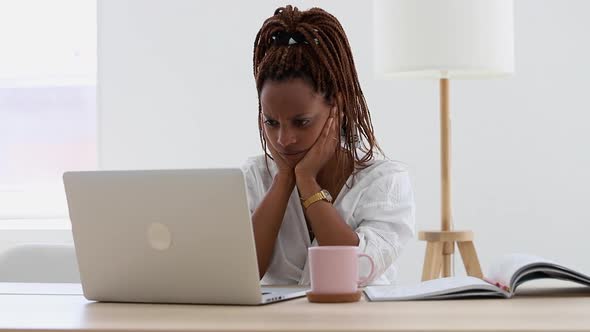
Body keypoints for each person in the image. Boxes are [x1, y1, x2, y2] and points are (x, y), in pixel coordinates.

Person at [242, 5, 415, 286]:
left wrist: (307, 183)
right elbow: (241, 274)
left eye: (302, 122)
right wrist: (284, 180)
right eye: (272, 122)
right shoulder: (254, 177)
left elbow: (352, 272)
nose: (284, 140)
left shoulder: (384, 182)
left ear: (338, 108)